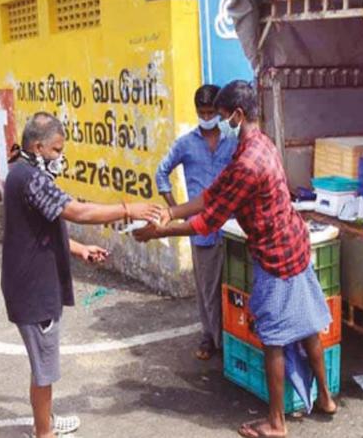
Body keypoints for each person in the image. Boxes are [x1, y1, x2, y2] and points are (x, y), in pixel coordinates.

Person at [135, 81, 337, 438]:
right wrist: (171, 213)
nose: (219, 121)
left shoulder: (246, 162)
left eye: (224, 115)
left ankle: (277, 423)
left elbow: (208, 220)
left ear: (238, 115)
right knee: (307, 328)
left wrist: (159, 232)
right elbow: (213, 193)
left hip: (276, 258)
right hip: (296, 246)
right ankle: (325, 398)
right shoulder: (260, 144)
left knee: (273, 341)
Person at [2, 112, 162, 438]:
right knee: (44, 370)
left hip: (33, 284)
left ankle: (44, 420)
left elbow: (44, 226)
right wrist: (128, 208)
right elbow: (77, 211)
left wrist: (78, 249)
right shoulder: (30, 178)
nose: (61, 157)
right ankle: (44, 432)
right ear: (37, 146)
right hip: (33, 291)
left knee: (43, 366)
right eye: (56, 150)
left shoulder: (25, 172)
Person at [155, 84, 236, 360]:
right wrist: (176, 210)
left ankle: (230, 337)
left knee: (233, 287)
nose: (206, 116)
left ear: (220, 113)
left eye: (211, 111)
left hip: (232, 227)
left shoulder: (233, 140)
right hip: (201, 227)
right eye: (202, 112)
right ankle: (213, 339)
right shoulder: (186, 144)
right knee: (207, 290)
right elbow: (161, 173)